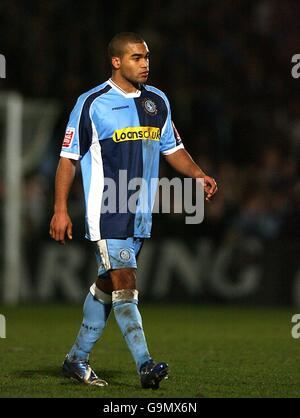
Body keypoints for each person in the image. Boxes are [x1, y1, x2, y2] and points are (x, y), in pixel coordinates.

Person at [49, 32, 218, 389]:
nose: (145, 63)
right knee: (126, 282)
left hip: (141, 212)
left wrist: (199, 174)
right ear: (116, 62)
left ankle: (76, 360)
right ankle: (146, 365)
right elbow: (68, 159)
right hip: (107, 209)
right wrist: (60, 209)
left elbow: (173, 148)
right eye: (137, 58)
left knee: (106, 288)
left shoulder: (157, 101)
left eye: (146, 57)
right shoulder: (91, 103)